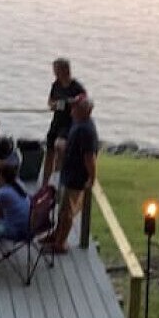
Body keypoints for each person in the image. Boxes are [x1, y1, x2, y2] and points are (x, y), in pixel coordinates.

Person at [49, 97, 97, 253]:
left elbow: (89, 157)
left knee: (68, 211)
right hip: (68, 171)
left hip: (77, 176)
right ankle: (56, 234)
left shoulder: (86, 130)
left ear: (85, 111)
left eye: (75, 107)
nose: (72, 110)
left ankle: (60, 243)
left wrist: (92, 177)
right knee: (62, 208)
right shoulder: (77, 122)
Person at [41, 59, 87, 187]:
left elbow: (84, 102)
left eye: (56, 70)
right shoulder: (56, 85)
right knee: (49, 150)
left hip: (69, 123)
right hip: (56, 121)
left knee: (60, 147)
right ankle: (45, 183)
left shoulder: (76, 87)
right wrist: (56, 105)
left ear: (65, 70)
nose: (55, 73)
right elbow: (50, 102)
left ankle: (57, 181)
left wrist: (72, 102)